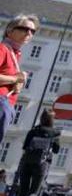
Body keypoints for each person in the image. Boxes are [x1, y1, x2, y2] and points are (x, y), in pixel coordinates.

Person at [12, 109, 59, 196]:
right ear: (52, 120)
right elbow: (57, 150)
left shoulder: (33, 131)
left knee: (23, 189)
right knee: (34, 191)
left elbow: (25, 146)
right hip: (42, 164)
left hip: (27, 161)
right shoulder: (55, 133)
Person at [0, 14, 38, 146]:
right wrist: (15, 79)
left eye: (33, 31)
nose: (29, 33)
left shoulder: (14, 53)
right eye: (24, 29)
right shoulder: (3, 49)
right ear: (10, 30)